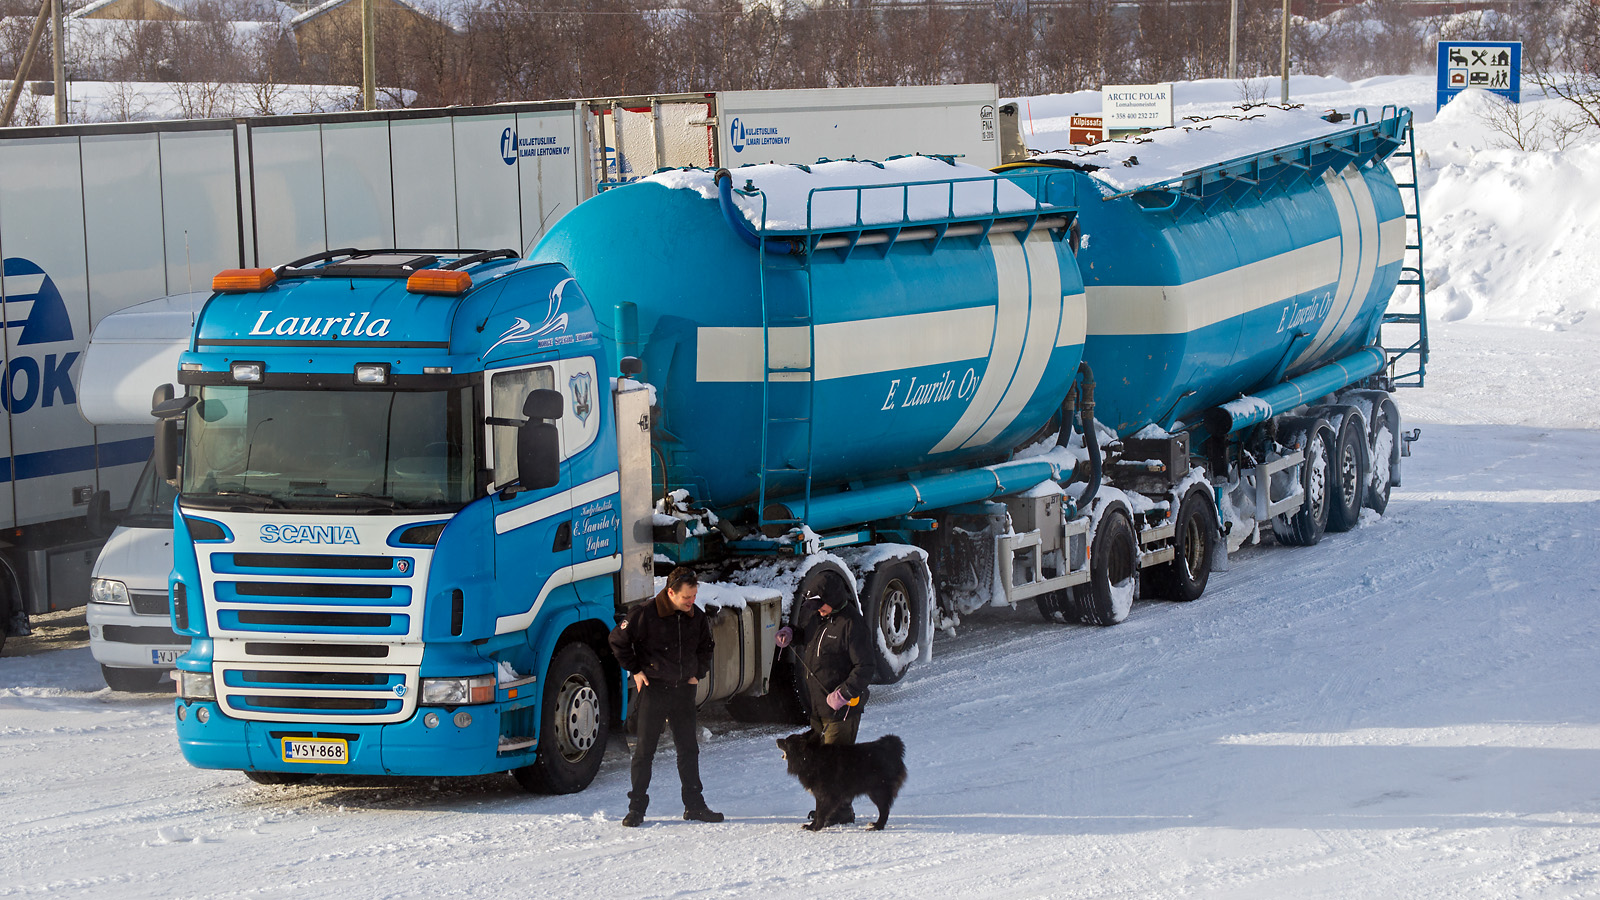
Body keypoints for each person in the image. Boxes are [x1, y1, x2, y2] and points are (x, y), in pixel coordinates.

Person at [608, 566, 722, 828]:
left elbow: (707, 647)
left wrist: (698, 672)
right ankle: (636, 808)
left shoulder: (696, 616)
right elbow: (617, 640)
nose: (691, 602)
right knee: (644, 752)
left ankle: (694, 805)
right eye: (686, 597)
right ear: (670, 592)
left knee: (688, 749)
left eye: (694, 596)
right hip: (655, 690)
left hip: (684, 690)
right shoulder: (645, 613)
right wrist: (635, 669)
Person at [774, 588, 874, 823]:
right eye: (816, 606)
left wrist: (845, 692)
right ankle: (829, 808)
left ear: (834, 598)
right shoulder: (819, 618)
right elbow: (807, 635)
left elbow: (866, 667)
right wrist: (791, 634)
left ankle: (839, 811)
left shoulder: (852, 625)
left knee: (836, 763)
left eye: (822, 605)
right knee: (822, 762)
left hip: (843, 707)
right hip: (819, 706)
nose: (819, 610)